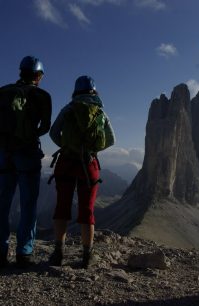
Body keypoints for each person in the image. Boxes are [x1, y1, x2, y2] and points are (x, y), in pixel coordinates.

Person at [49, 75, 115, 268]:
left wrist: (68, 147)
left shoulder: (69, 109)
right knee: (87, 210)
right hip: (89, 166)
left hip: (66, 162)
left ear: (76, 91)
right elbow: (112, 140)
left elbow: (53, 133)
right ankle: (87, 256)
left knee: (62, 207)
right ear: (94, 91)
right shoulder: (100, 112)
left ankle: (58, 254)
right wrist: (91, 152)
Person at [0, 56, 52, 268]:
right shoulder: (42, 95)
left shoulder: (2, 92)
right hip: (27, 154)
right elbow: (46, 126)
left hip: (3, 154)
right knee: (28, 204)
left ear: (20, 72)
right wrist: (30, 135)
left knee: (2, 203)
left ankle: (0, 251)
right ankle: (24, 252)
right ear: (38, 76)